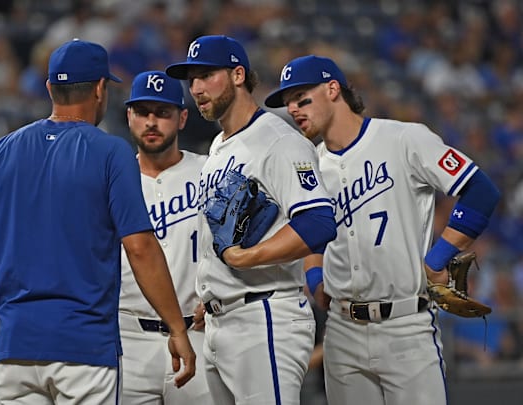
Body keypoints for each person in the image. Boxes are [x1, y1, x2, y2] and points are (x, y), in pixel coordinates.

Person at [0, 39, 196, 404]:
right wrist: (177, 327)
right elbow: (141, 249)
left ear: (51, 88)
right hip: (84, 349)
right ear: (101, 89)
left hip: (16, 350)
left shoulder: (4, 150)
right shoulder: (111, 151)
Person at [264, 55, 501, 405]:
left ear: (333, 89)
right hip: (343, 330)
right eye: (287, 103)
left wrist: (437, 258)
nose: (293, 109)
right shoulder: (308, 165)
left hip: (407, 325)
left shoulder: (404, 138)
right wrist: (315, 279)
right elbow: (310, 231)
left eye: (301, 98)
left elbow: (480, 191)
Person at [165, 35, 337, 405]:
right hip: (220, 320)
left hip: (264, 316)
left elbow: (319, 223)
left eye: (207, 75)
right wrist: (213, 291)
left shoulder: (278, 140)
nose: (195, 88)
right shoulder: (218, 148)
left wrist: (246, 258)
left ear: (238, 75)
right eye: (191, 79)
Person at [119, 70, 211, 405]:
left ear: (182, 117)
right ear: (129, 116)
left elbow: (237, 241)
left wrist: (222, 295)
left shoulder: (209, 171)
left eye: (163, 113)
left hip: (198, 333)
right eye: (143, 113)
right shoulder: (111, 180)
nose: (151, 122)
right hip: (128, 337)